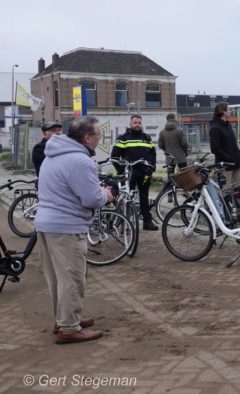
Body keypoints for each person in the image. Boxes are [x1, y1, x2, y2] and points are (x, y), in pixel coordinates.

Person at [35, 116, 114, 344]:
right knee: (72, 278)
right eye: (98, 134)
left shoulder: (54, 155)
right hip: (66, 227)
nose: (99, 138)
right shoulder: (80, 160)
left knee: (57, 278)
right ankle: (69, 327)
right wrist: (106, 194)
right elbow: (91, 199)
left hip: (46, 223)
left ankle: (63, 318)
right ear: (87, 138)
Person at [111, 114, 157, 231]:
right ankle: (125, 223)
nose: (137, 125)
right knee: (127, 197)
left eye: (139, 123)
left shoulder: (146, 138)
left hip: (145, 173)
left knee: (144, 197)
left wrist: (152, 167)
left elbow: (153, 154)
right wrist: (122, 171)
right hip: (130, 173)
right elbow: (114, 157)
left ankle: (147, 222)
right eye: (135, 123)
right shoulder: (123, 138)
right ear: (130, 124)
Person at [209, 102, 240, 203]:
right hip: (225, 166)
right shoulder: (215, 128)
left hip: (236, 164)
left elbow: (233, 144)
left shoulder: (228, 126)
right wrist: (228, 158)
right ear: (223, 111)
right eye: (229, 109)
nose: (230, 111)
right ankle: (225, 216)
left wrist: (238, 155)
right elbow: (215, 148)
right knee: (226, 192)